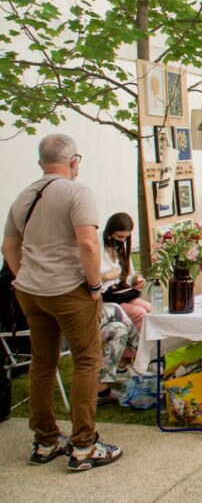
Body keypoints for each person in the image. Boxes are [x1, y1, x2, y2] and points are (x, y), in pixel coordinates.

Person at [1, 134, 123, 470]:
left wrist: (24, 275)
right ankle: (84, 445)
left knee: (42, 362)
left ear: (41, 162)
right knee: (87, 360)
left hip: (30, 290)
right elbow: (87, 244)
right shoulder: (77, 191)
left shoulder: (23, 196)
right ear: (74, 161)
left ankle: (46, 439)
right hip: (68, 289)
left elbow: (8, 247)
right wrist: (95, 287)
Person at [99, 214, 150, 331]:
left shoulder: (119, 250)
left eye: (125, 238)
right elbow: (87, 278)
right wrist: (105, 277)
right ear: (110, 233)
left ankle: (147, 346)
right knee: (139, 313)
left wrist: (135, 280)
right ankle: (134, 348)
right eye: (119, 236)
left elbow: (123, 277)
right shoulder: (98, 249)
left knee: (150, 309)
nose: (122, 240)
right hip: (104, 297)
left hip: (119, 294)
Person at [96, 303, 138, 406]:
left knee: (120, 330)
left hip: (87, 317)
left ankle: (102, 389)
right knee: (115, 309)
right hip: (71, 318)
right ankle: (141, 353)